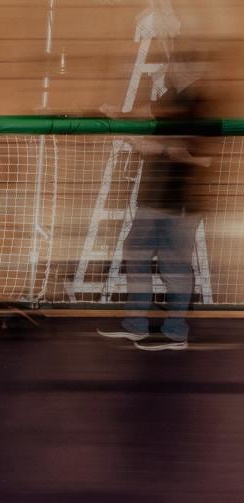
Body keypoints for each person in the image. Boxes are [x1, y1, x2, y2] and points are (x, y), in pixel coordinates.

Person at [97, 54, 212, 350]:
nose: (166, 70)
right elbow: (144, 113)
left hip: (180, 201)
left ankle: (175, 333)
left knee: (174, 266)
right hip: (154, 197)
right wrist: (118, 116)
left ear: (186, 67)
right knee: (134, 251)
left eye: (172, 65)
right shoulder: (172, 96)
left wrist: (159, 148)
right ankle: (136, 325)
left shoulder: (201, 104)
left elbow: (205, 158)